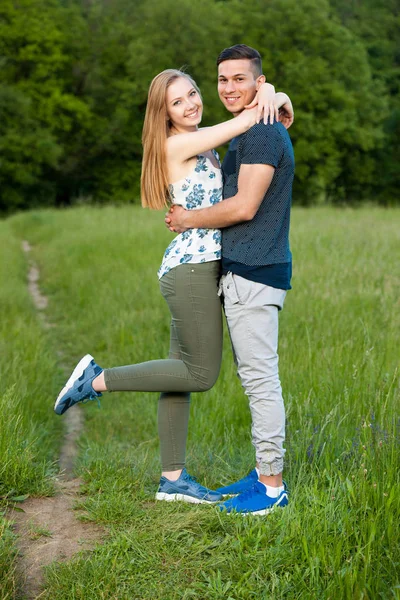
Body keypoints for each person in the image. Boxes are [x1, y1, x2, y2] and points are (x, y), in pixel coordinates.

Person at [54, 67, 294, 506]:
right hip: (193, 269)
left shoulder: (196, 139)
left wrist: (276, 96)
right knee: (200, 374)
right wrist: (271, 93)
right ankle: (97, 379)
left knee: (178, 374)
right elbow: (244, 120)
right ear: (163, 115)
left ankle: (172, 479)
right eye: (178, 102)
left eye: (193, 94)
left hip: (192, 266)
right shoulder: (176, 144)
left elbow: (250, 116)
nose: (192, 104)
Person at [165, 45, 295, 515]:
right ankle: (262, 474)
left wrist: (187, 219)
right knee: (252, 377)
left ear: (258, 82)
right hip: (246, 270)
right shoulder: (252, 129)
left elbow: (243, 208)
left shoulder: (259, 135)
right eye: (223, 80)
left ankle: (272, 489)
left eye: (240, 79)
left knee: (260, 380)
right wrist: (277, 98)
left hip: (255, 271)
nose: (229, 88)